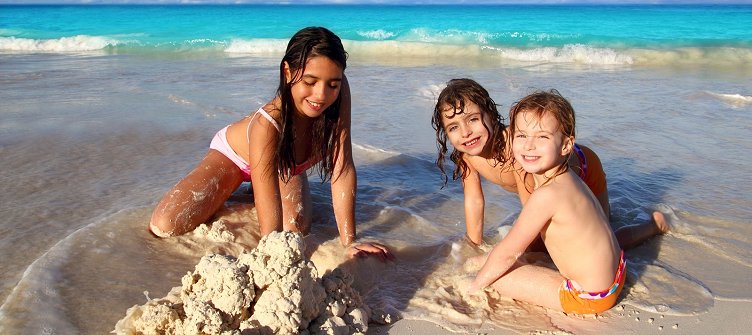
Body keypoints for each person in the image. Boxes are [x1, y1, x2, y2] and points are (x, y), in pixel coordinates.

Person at [149, 27, 392, 261]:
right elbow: (269, 206)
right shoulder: (268, 124)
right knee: (166, 225)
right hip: (235, 157)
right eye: (309, 82)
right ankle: (238, 187)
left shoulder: (338, 93)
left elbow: (343, 167)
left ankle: (252, 191)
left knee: (294, 230)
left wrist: (349, 242)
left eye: (333, 84)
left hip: (284, 164)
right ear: (287, 72)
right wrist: (270, 252)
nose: (321, 95)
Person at [431, 78, 668, 249]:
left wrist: (526, 252)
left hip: (583, 169)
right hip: (546, 191)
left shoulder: (518, 148)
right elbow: (474, 201)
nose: (465, 132)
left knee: (601, 241)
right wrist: (474, 245)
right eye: (453, 127)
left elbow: (532, 209)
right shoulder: (466, 157)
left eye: (473, 119)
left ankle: (653, 226)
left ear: (491, 115)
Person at [466, 89, 625, 314]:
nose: (529, 145)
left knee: (491, 276)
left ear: (566, 146)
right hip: (618, 272)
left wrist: (472, 288)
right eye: (521, 135)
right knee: (483, 262)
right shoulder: (570, 178)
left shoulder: (546, 195)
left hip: (590, 296)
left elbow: (507, 254)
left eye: (542, 137)